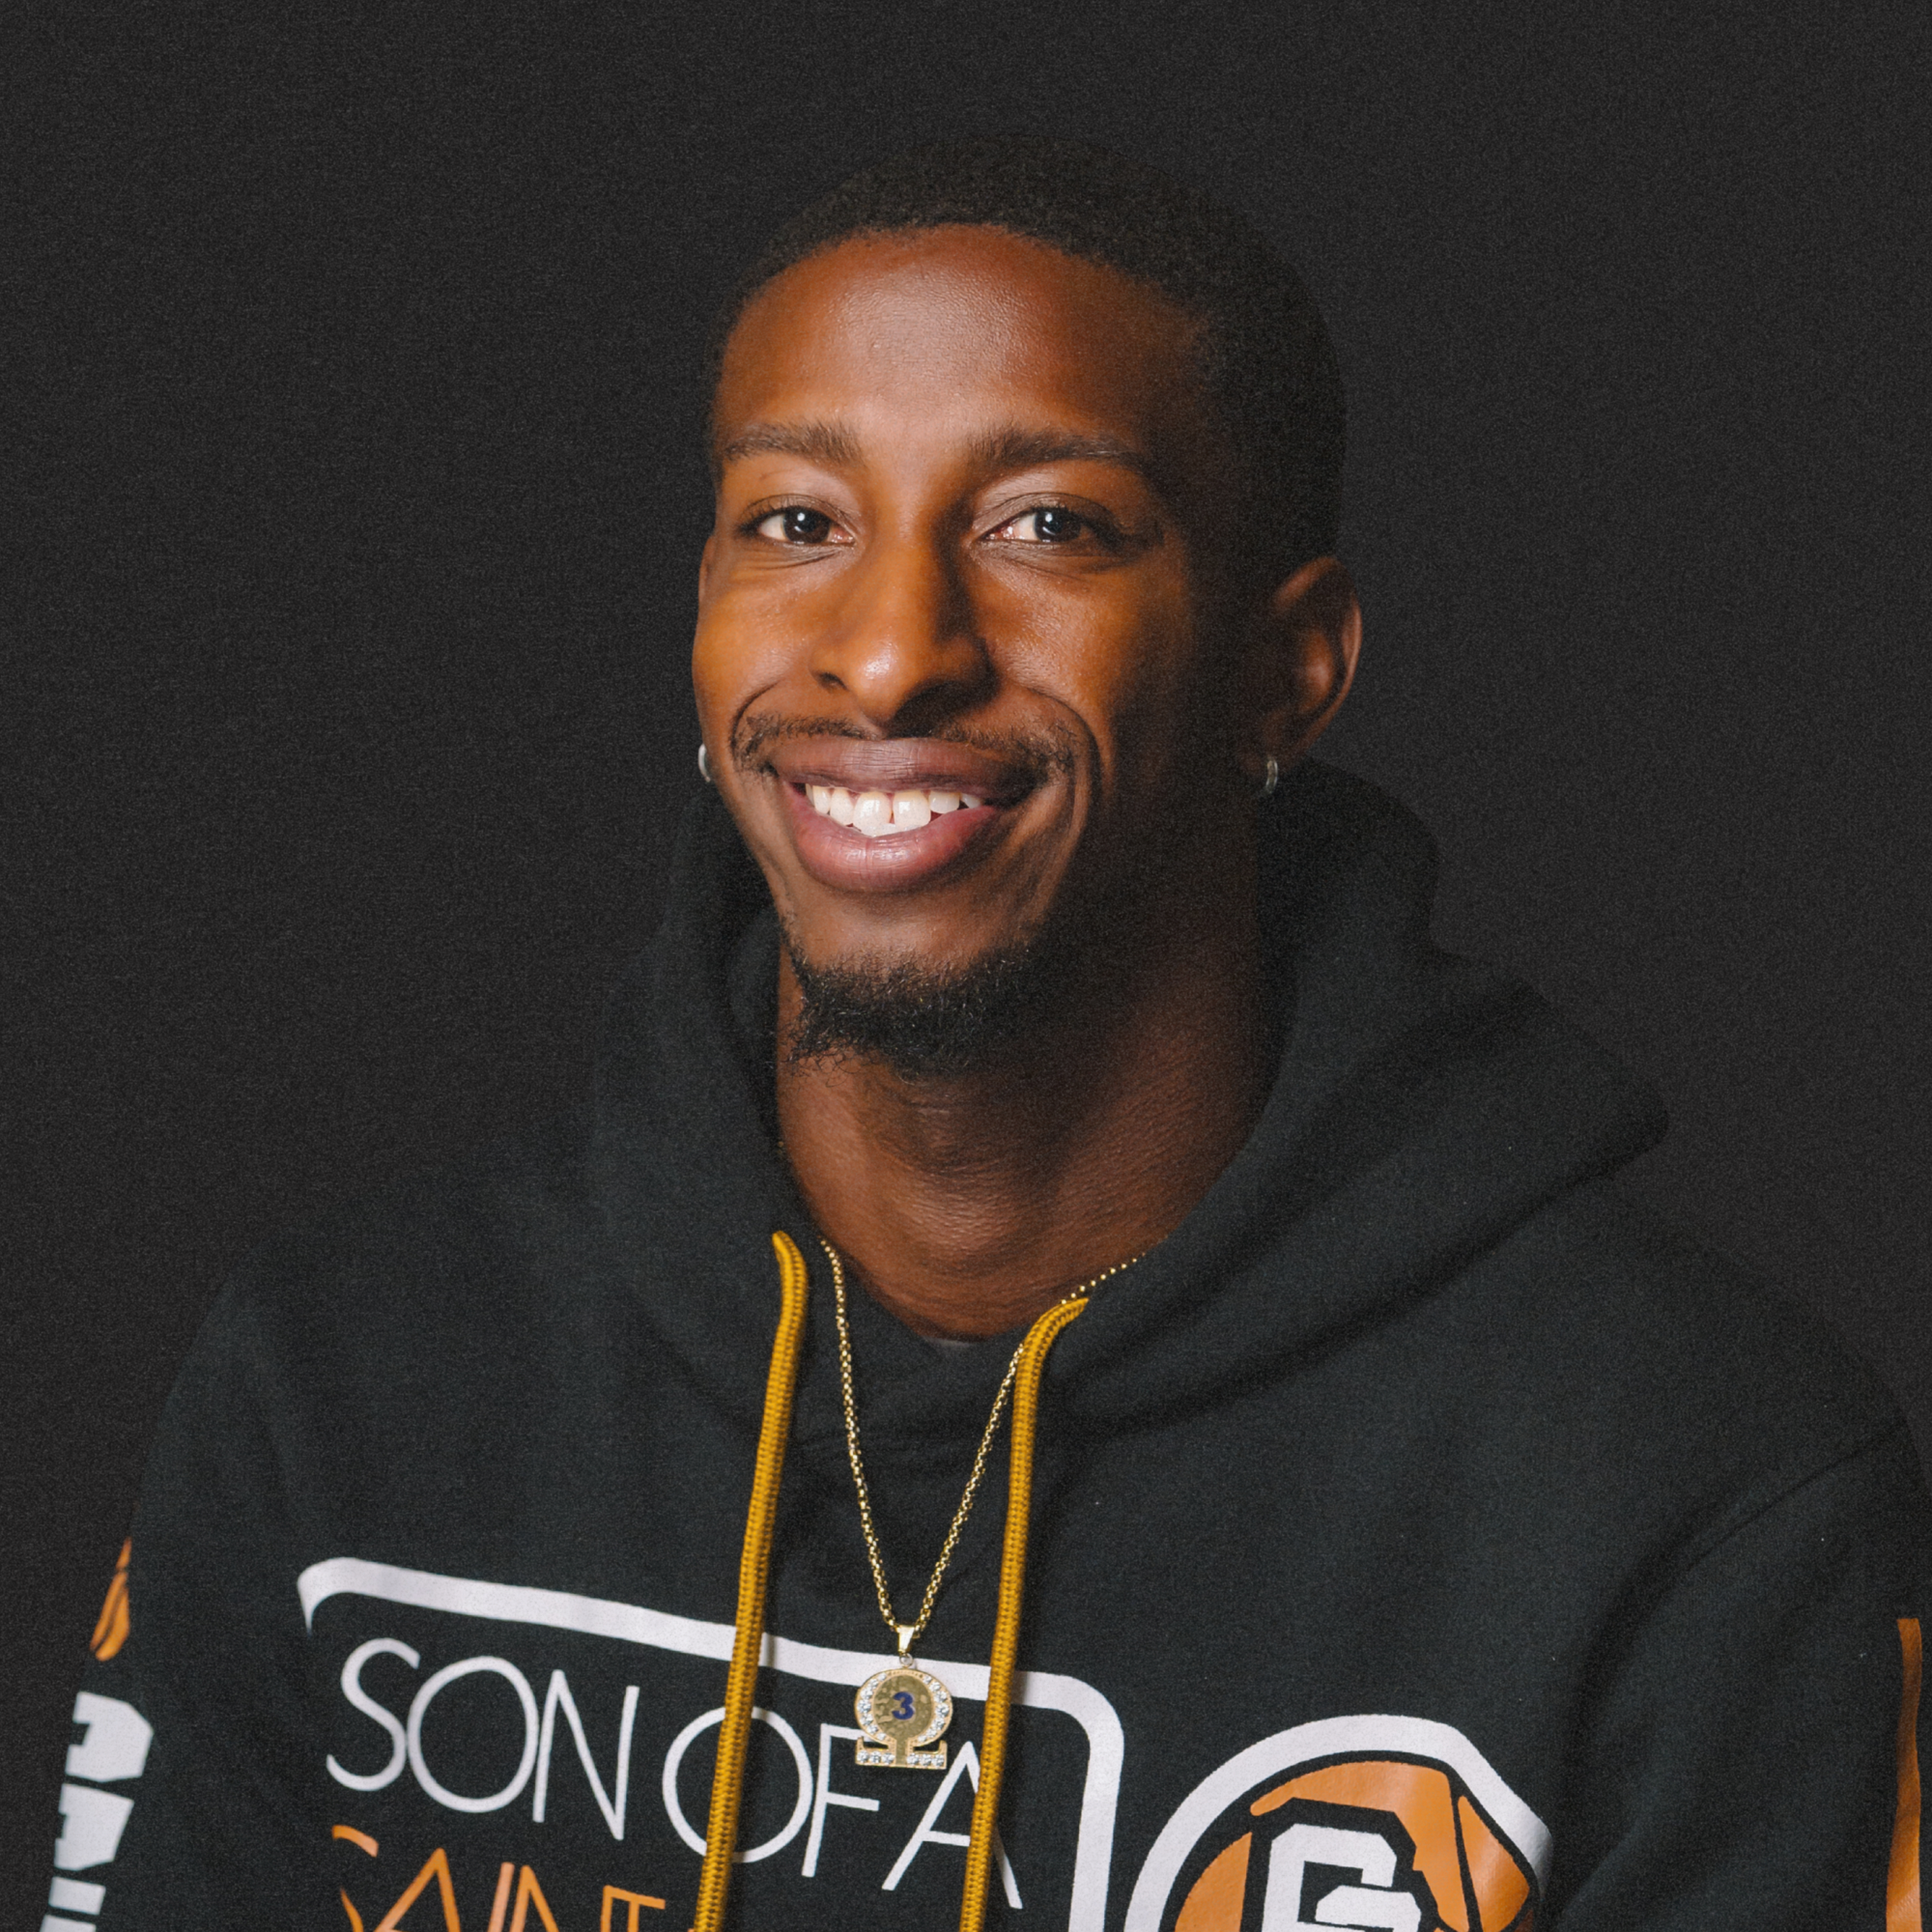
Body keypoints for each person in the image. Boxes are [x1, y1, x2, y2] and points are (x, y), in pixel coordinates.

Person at [42, 137, 1931, 1932]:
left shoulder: (1696, 1492)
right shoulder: (345, 1384)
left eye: (1047, 524)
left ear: (1294, 662)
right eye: (797, 519)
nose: (886, 651)